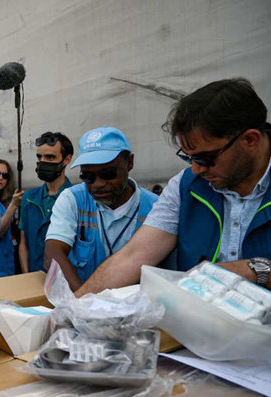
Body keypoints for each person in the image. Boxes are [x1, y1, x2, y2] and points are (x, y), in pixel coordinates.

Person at [76, 78, 271, 297]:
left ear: (250, 140)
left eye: (206, 158)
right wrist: (72, 308)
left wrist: (256, 270)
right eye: (189, 158)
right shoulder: (186, 186)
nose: (196, 169)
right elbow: (133, 256)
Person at [44, 127, 159, 291]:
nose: (97, 184)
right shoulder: (73, 199)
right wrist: (84, 303)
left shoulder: (156, 208)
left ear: (130, 163)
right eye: (87, 177)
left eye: (108, 173)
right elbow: (53, 255)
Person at [18, 132, 73, 273]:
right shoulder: (29, 198)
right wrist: (26, 275)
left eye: (50, 157)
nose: (43, 161)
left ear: (67, 160)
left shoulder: (77, 198)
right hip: (34, 278)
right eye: (39, 156)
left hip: (66, 279)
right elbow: (23, 243)